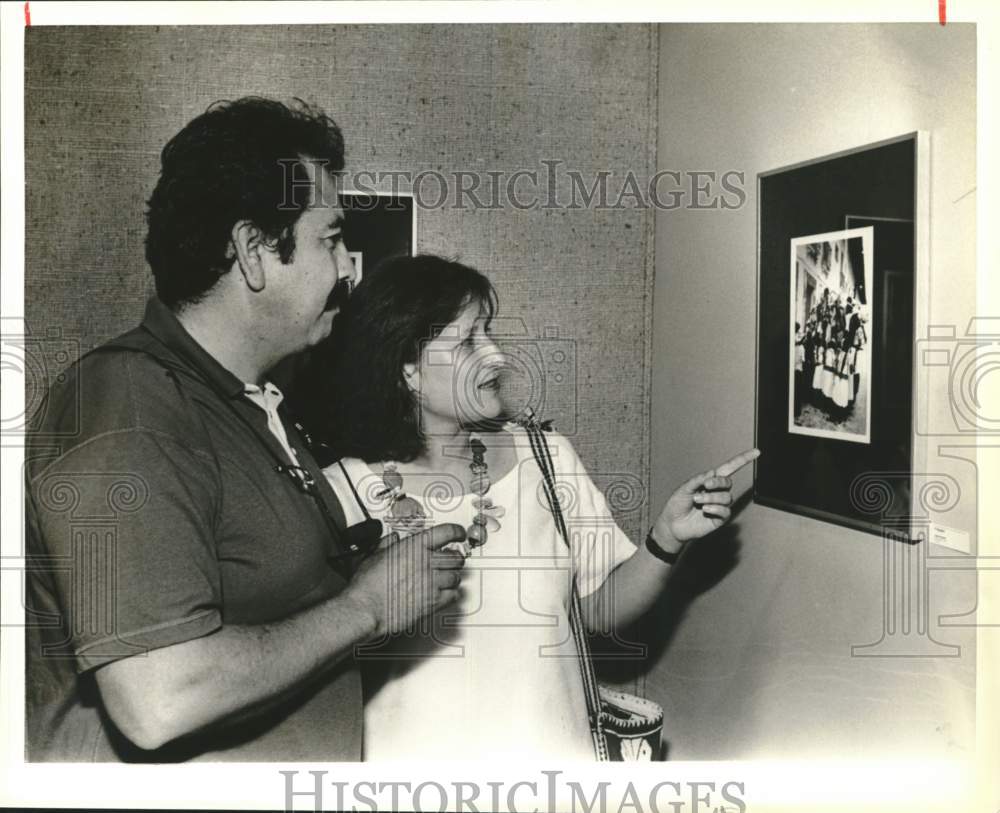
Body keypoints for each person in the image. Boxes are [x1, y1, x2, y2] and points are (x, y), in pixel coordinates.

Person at [24, 98, 466, 761]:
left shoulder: (253, 405)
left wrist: (358, 584)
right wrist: (365, 607)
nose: (349, 266)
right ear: (255, 251)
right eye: (331, 238)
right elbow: (158, 698)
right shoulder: (128, 402)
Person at [311, 255, 758, 760]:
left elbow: (599, 612)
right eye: (467, 342)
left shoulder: (547, 458)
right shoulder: (339, 492)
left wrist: (667, 539)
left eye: (489, 333)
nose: (496, 356)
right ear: (408, 369)